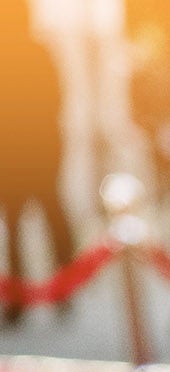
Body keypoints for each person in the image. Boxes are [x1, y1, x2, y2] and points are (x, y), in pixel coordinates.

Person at [0, 3, 75, 328]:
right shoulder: (38, 51)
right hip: (33, 152)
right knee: (47, 224)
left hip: (22, 153)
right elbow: (57, 99)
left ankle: (32, 298)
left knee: (25, 226)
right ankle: (60, 292)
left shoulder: (27, 52)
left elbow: (55, 99)